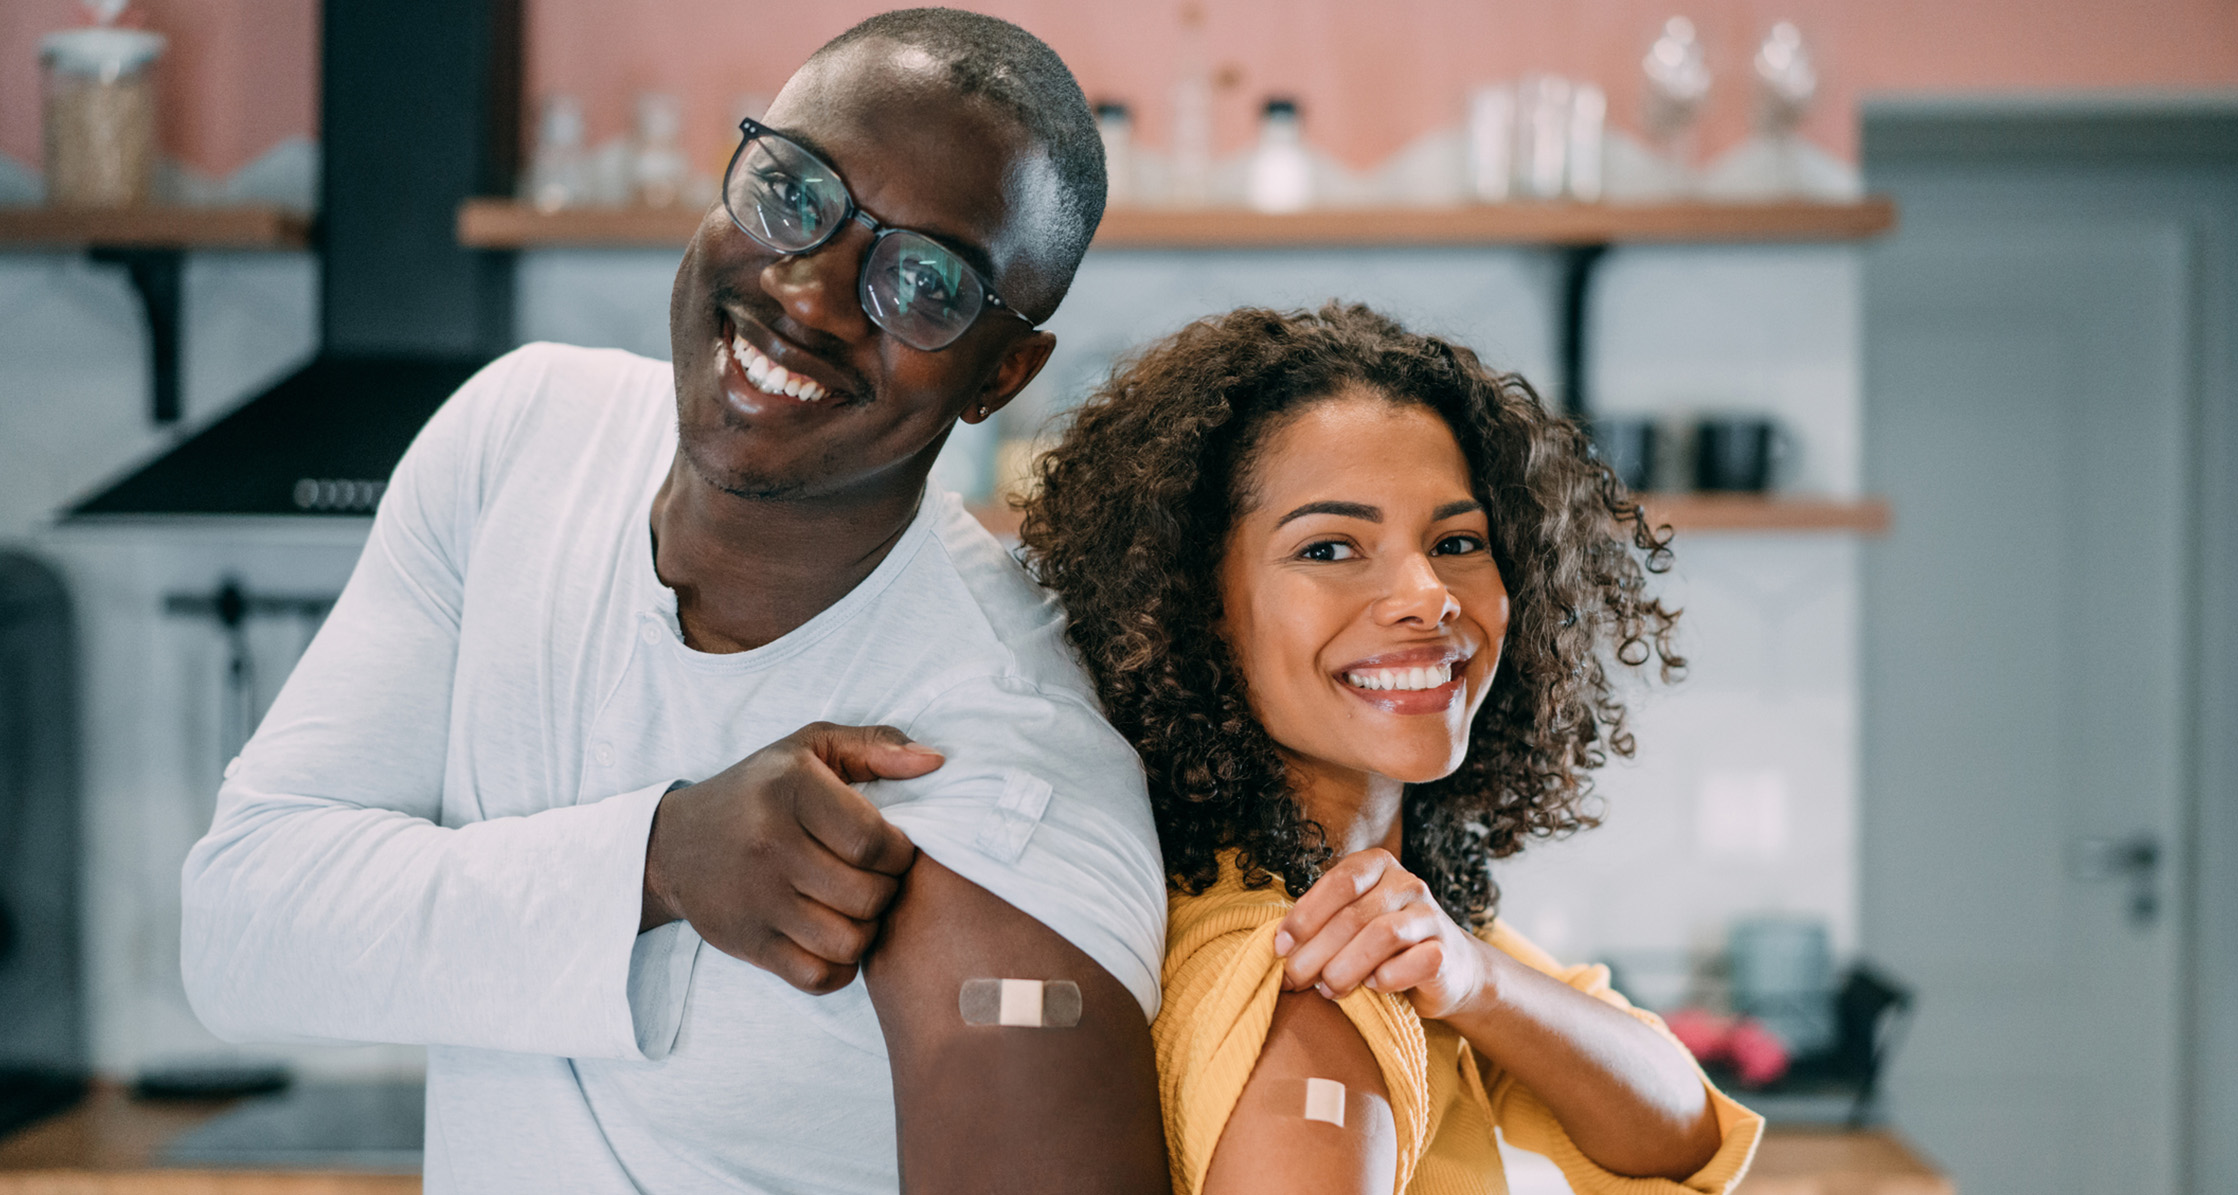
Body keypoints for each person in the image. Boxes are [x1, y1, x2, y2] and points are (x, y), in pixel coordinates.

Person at [180, 10, 1174, 1193]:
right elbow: (241, 930)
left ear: (999, 375)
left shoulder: (1009, 775)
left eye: (923, 281)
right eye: (794, 192)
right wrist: (658, 859)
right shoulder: (522, 439)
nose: (809, 291)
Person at [1019, 303, 1766, 1195]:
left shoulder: (1384, 912)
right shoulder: (1317, 978)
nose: (1427, 595)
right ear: (1192, 604)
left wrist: (1477, 978)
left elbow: (1682, 1128)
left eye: (1456, 542)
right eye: (1330, 547)